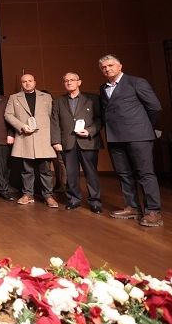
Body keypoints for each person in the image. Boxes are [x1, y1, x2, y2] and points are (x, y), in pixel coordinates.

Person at [98, 54, 163, 227]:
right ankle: (132, 207)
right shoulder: (103, 88)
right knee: (124, 174)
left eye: (110, 65)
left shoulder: (136, 82)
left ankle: (153, 211)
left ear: (120, 66)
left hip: (138, 136)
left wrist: (143, 125)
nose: (107, 69)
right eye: (104, 67)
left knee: (145, 173)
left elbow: (155, 107)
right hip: (115, 138)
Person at [51, 72, 104, 213]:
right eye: (66, 80)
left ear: (79, 82)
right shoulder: (57, 101)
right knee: (72, 174)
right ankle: (73, 199)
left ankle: (95, 202)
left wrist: (90, 131)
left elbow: (99, 119)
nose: (69, 82)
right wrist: (56, 141)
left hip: (88, 141)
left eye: (72, 80)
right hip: (67, 142)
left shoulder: (92, 99)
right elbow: (55, 122)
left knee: (91, 173)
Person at [4, 74, 58, 208]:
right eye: (24, 82)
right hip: (25, 137)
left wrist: (55, 139)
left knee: (45, 170)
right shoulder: (14, 97)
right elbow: (8, 114)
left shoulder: (46, 97)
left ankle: (48, 196)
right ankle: (27, 194)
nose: (27, 83)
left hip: (43, 138)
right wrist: (21, 126)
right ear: (21, 84)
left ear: (35, 82)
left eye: (30, 81)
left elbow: (53, 117)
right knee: (26, 169)